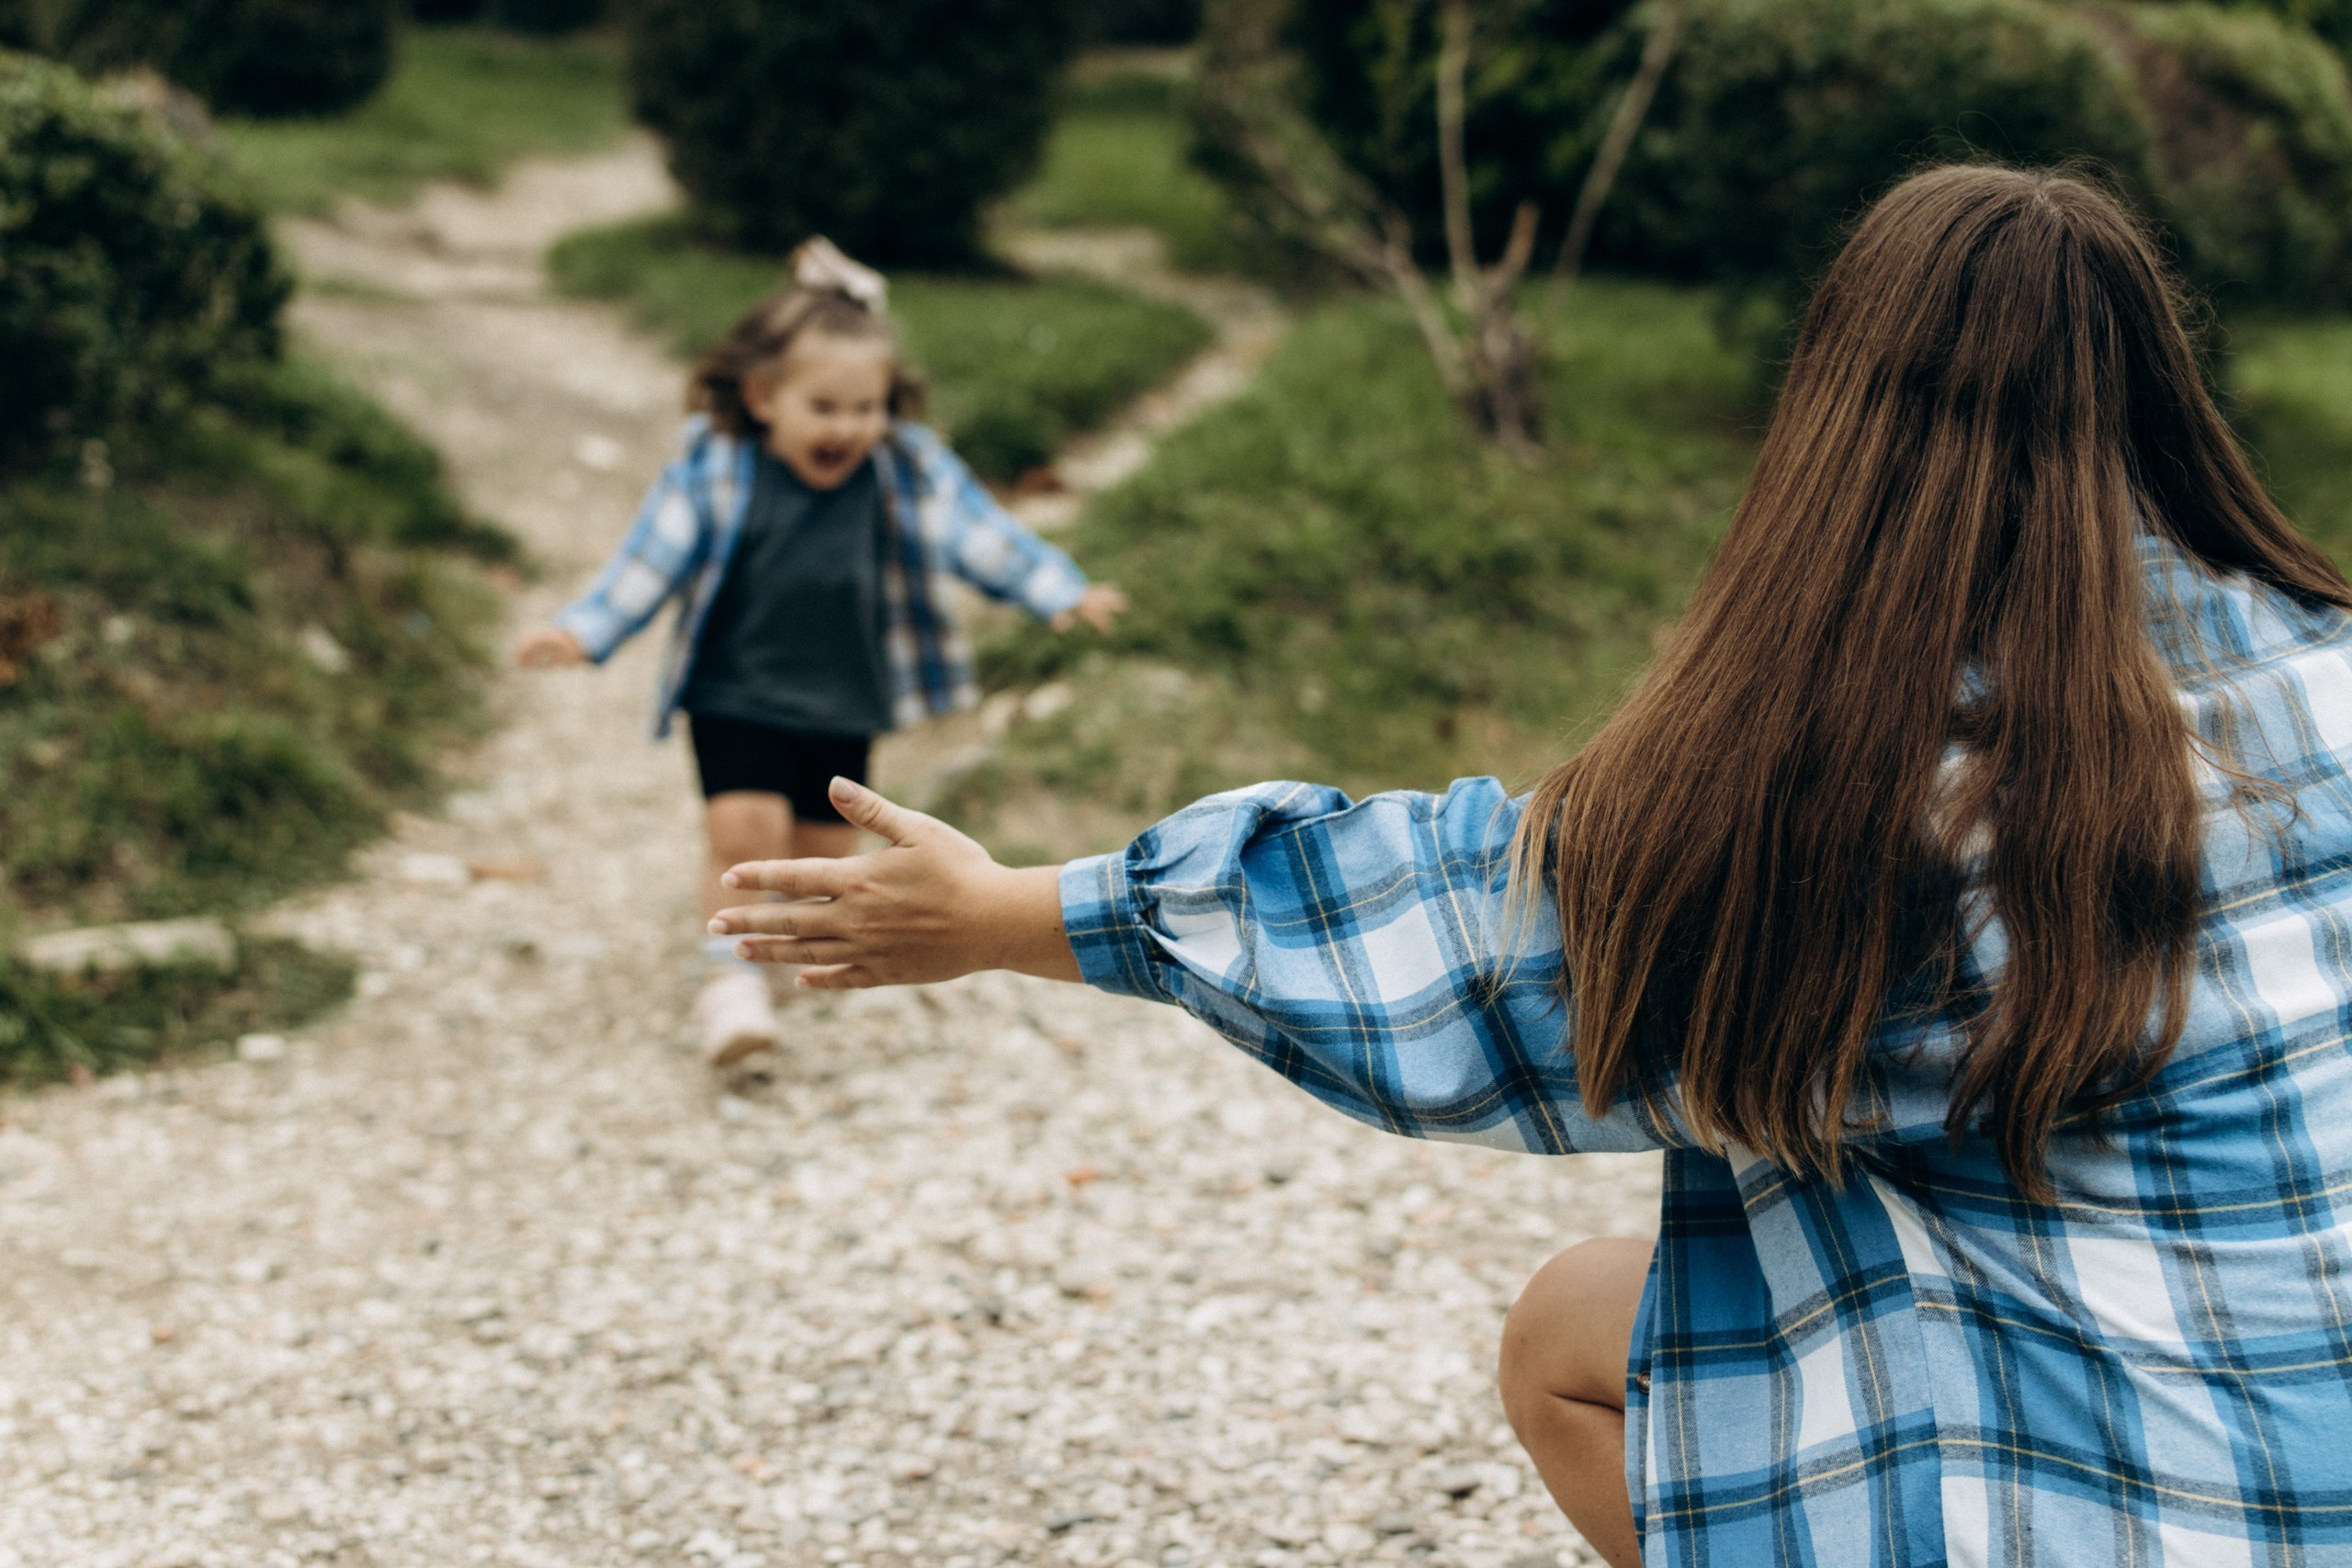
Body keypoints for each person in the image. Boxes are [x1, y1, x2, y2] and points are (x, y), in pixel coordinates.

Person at [707, 164, 2352, 1565]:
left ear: (1844, 424)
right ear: (2159, 385)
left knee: (1586, 1338)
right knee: (1668, 1277)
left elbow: (1466, 938)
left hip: (2141, 1509)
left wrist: (1016, 911)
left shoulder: (1883, 812)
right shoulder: (2331, 665)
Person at [517, 239, 1124, 1067]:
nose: (849, 428)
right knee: (742, 831)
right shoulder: (719, 466)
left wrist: (1058, 591)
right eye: (826, 408)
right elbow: (651, 557)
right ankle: (726, 978)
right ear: (764, 396)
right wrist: (585, 631)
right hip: (735, 688)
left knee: (816, 854)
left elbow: (976, 532)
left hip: (846, 695)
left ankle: (781, 959)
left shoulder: (899, 468)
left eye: (866, 408)